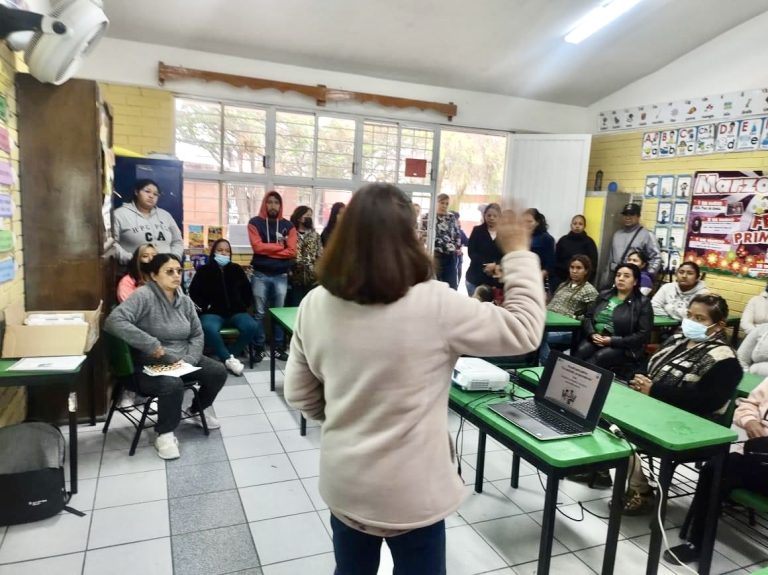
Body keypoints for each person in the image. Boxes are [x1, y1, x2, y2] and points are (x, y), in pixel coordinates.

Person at [284, 183, 546, 574]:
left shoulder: (315, 303)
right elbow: (525, 329)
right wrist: (520, 254)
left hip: (347, 482)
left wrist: (351, 418)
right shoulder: (436, 303)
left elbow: (300, 395)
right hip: (413, 492)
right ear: (410, 236)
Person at [622, 294, 742, 515]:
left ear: (719, 325)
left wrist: (653, 390)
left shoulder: (726, 360)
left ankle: (642, 491)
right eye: (689, 315)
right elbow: (647, 365)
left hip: (692, 426)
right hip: (657, 409)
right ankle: (605, 471)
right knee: (606, 419)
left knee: (620, 432)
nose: (691, 322)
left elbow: (706, 402)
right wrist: (639, 378)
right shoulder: (677, 341)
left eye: (700, 318)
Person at [104, 254, 227, 460]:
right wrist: (151, 345)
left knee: (218, 371)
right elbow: (113, 322)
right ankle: (165, 433)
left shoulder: (184, 300)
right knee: (171, 384)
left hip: (182, 360)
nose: (176, 276)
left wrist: (189, 360)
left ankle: (197, 409)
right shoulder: (144, 296)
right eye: (169, 272)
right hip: (148, 364)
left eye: (178, 271)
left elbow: (197, 334)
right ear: (153, 275)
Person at [664, 376, 768, 564]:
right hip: (756, 456)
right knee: (714, 469)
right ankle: (697, 542)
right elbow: (748, 405)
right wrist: (750, 420)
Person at [188, 239, 260, 376]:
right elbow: (194, 293)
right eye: (220, 250)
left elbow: (247, 292)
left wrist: (243, 305)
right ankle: (229, 359)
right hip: (212, 313)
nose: (224, 253)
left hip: (236, 312)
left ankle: (227, 357)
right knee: (208, 327)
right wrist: (204, 308)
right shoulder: (204, 271)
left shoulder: (236, 269)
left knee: (251, 326)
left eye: (227, 251)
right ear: (213, 252)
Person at [248, 191, 297, 361]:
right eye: (270, 202)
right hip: (260, 275)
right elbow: (257, 248)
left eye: (277, 202)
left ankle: (278, 348)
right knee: (259, 313)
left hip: (281, 276)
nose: (273, 205)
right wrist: (279, 247)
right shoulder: (254, 223)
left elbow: (291, 251)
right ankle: (259, 348)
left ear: (281, 205)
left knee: (279, 314)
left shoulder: (288, 226)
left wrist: (268, 249)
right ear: (264, 204)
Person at [575, 263, 652, 371]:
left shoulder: (643, 303)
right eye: (618, 275)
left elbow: (643, 334)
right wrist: (592, 333)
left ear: (635, 281)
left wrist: (612, 340)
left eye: (626, 276)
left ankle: (583, 383)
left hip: (624, 346)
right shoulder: (604, 295)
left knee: (599, 357)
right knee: (581, 350)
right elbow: (588, 317)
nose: (621, 278)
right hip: (597, 338)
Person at [541, 255, 599, 363]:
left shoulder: (590, 291)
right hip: (550, 323)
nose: (574, 271)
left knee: (537, 337)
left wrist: (573, 317)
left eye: (578, 268)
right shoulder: (563, 285)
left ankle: (551, 366)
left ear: (586, 271)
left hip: (569, 329)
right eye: (572, 267)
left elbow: (592, 318)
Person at [112, 179, 183, 265]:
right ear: (136, 192)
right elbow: (112, 244)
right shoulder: (120, 214)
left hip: (164, 272)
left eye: (155, 194)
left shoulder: (165, 215)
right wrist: (133, 260)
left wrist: (173, 259)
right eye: (147, 191)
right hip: (134, 271)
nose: (151, 196)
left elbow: (177, 241)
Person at [600, 203, 661, 289]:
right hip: (617, 278)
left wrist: (646, 275)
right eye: (625, 214)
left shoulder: (647, 235)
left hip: (634, 280)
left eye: (631, 214)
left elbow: (656, 258)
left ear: (638, 216)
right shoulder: (617, 234)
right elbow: (610, 259)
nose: (628, 217)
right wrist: (605, 281)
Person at [421, 193, 462, 289]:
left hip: (450, 256)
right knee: (434, 285)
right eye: (442, 203)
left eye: (447, 204)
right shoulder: (427, 217)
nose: (444, 206)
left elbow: (457, 234)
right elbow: (422, 235)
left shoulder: (451, 217)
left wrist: (456, 247)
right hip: (434, 256)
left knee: (452, 286)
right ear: (435, 203)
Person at [288, 206, 323, 307]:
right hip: (295, 278)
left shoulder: (315, 235)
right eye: (307, 215)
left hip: (312, 278)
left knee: (311, 307)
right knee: (296, 307)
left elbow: (320, 255)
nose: (309, 218)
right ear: (299, 218)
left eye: (310, 216)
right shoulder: (291, 234)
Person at [465, 203, 503, 296]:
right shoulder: (477, 230)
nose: (491, 218)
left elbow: (506, 254)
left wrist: (495, 264)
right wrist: (486, 264)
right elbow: (471, 252)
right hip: (475, 277)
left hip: (495, 281)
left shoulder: (504, 234)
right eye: (489, 215)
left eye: (495, 216)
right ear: (484, 216)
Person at [554, 214, 599, 286]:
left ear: (584, 226)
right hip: (561, 279)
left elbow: (592, 265)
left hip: (581, 282)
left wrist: (586, 281)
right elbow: (556, 259)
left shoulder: (589, 242)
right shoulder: (563, 240)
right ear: (571, 225)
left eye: (580, 224)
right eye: (575, 223)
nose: (577, 226)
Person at [523, 208, 556, 294]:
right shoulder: (520, 237)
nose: (526, 224)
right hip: (521, 277)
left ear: (537, 222)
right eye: (524, 221)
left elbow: (550, 264)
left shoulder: (546, 238)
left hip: (537, 279)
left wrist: (540, 276)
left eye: (529, 221)